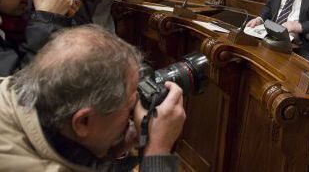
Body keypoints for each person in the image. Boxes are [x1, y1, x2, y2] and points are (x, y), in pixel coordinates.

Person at [0, 25, 185, 171]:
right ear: (82, 122)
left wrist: (114, 146)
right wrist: (157, 150)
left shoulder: (11, 93)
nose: (133, 114)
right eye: (128, 106)